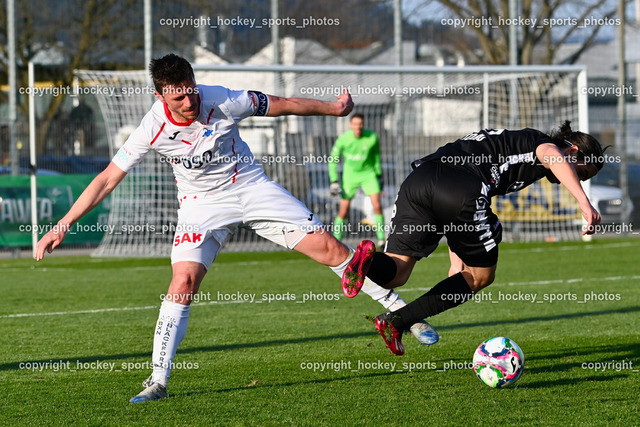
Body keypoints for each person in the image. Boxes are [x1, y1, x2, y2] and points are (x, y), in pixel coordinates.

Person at [34, 54, 436, 402]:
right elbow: (107, 178)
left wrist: (334, 110)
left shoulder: (224, 99)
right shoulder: (151, 128)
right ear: (161, 97)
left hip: (251, 187)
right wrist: (62, 225)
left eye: (191, 91)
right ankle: (158, 380)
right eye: (178, 97)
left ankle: (402, 314)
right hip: (200, 206)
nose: (189, 101)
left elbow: (281, 104)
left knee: (331, 250)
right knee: (183, 282)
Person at [342, 124, 605, 355]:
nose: (577, 179)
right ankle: (396, 323)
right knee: (481, 276)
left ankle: (365, 261)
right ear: (572, 152)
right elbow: (552, 156)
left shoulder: (516, 143)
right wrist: (584, 203)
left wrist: (456, 261)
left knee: (395, 272)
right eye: (581, 173)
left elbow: (456, 207)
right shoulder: (542, 145)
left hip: (419, 181)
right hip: (459, 187)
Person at [329, 113, 386, 247]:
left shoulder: (372, 137)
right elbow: (333, 159)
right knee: (343, 210)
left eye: (360, 124)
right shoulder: (344, 139)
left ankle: (382, 240)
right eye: (355, 124)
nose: (358, 127)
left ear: (363, 125)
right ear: (351, 125)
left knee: (377, 205)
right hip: (350, 176)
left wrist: (379, 176)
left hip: (368, 174)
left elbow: (376, 158)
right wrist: (334, 180)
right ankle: (336, 241)